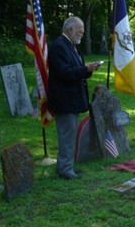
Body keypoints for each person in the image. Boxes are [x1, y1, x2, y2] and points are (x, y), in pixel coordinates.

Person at [47, 16, 102, 179]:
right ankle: (65, 170)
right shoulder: (59, 46)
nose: (81, 35)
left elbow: (76, 70)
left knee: (70, 135)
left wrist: (89, 70)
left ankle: (66, 166)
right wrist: (85, 69)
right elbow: (64, 73)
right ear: (69, 30)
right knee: (67, 135)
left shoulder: (70, 46)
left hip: (72, 100)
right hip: (64, 101)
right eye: (79, 32)